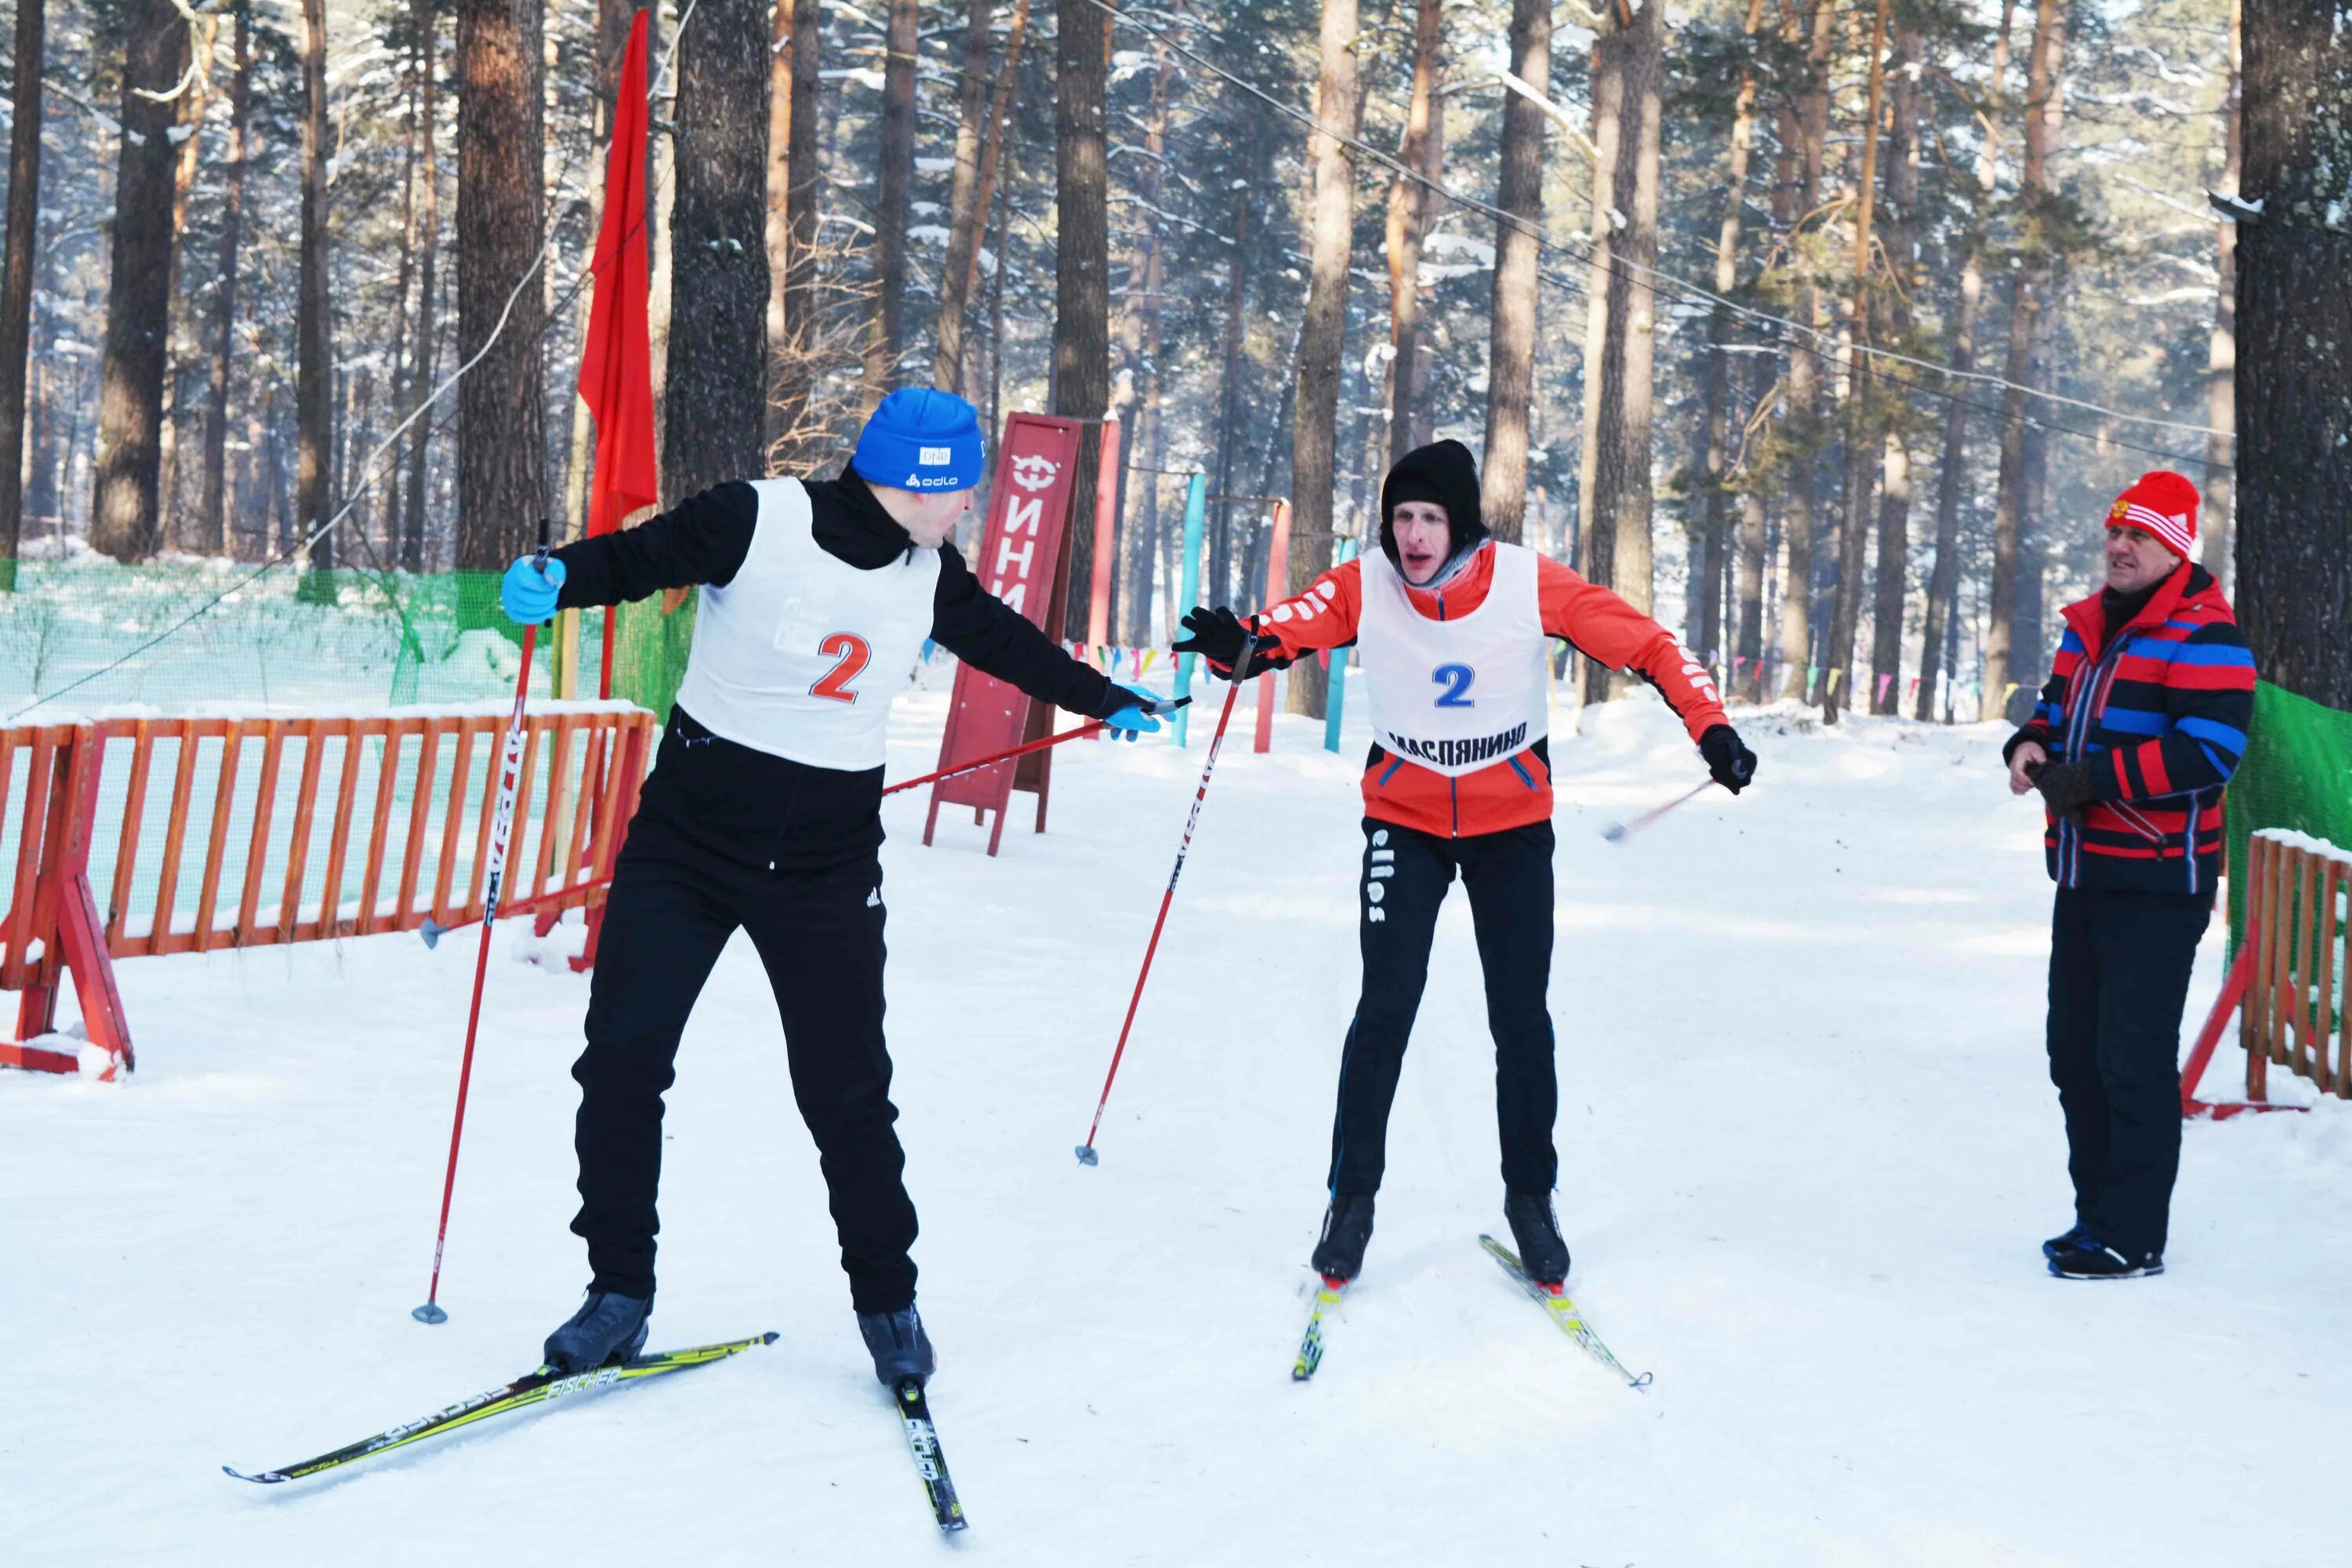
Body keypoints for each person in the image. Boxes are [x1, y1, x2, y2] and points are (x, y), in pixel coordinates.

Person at [499, 388, 1168, 1381]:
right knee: (624, 1060)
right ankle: (617, 1290)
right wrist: (555, 576)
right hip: (687, 841)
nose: (967, 509)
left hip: (824, 863)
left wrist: (1105, 696)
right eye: (961, 491)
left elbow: (1004, 641)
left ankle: (888, 1300)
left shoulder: (927, 569)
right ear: (918, 485)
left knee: (848, 1089)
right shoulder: (755, 518)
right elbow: (640, 559)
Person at [1172, 439, 1756, 1287]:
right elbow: (1286, 630)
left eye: (1430, 518)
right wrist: (1242, 645)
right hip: (1403, 818)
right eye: (1401, 517)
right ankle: (1352, 1201)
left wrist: (1713, 727)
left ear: (1460, 523)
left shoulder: (1524, 580)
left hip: (1509, 822)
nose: (1412, 536)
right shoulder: (1365, 581)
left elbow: (1651, 645)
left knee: (1520, 1019)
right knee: (1384, 1009)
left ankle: (1531, 1200)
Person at [2002, 470, 2255, 1280]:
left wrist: (2094, 778)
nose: (2118, 545)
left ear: (2175, 545)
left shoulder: (2204, 635)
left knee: (2131, 1060)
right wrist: (2029, 746)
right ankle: (2094, 1217)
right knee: (2072, 1052)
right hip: (2081, 871)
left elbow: (2208, 753)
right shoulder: (2087, 627)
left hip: (2157, 879)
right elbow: (2053, 710)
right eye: (2114, 532)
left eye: (2138, 535)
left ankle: (2133, 1234)